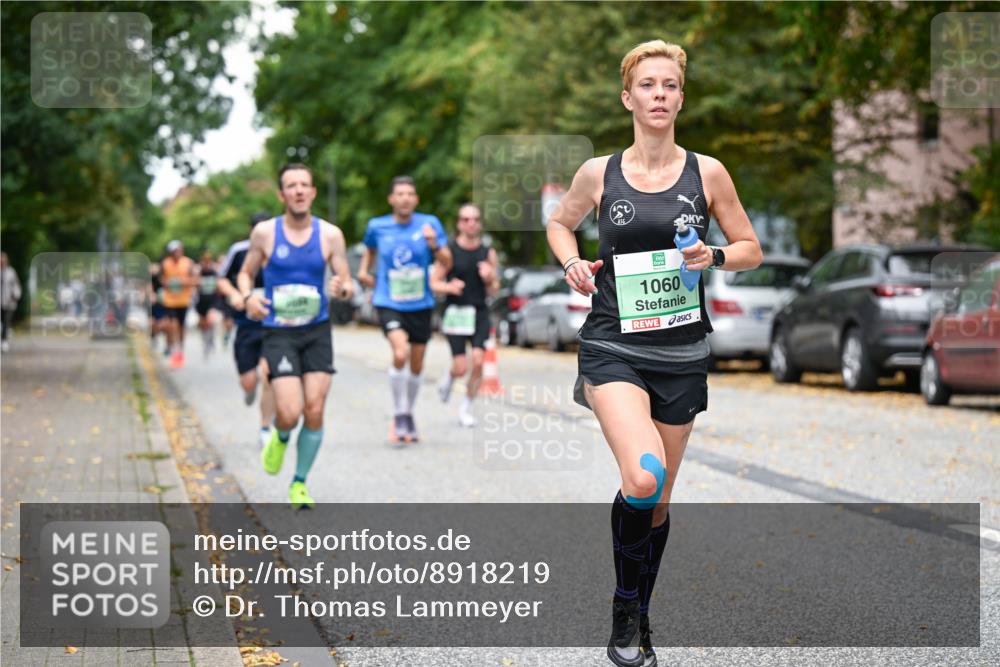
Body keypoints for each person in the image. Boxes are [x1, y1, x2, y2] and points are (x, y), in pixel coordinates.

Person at [546, 40, 762, 667]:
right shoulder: (599, 173)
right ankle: (622, 609)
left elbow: (749, 246)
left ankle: (641, 613)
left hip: (681, 352)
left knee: (658, 500)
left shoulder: (708, 172)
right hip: (613, 343)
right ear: (628, 97)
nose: (659, 94)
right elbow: (560, 223)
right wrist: (571, 264)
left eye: (669, 84)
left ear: (681, 98)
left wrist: (713, 255)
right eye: (648, 84)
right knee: (642, 476)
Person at [238, 164, 353, 509]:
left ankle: (299, 483)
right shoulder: (265, 233)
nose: (299, 190)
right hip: (279, 334)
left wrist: (342, 288)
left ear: (313, 192)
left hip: (316, 331)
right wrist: (249, 297)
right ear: (282, 195)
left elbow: (345, 280)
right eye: (292, 185)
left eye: (305, 184)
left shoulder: (330, 234)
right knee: (290, 411)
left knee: (315, 409)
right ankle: (281, 433)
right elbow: (246, 274)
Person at [357, 176, 451, 443]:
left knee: (417, 363)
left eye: (410, 193)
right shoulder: (377, 226)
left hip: (420, 303)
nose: (405, 198)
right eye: (400, 193)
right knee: (401, 352)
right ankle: (399, 414)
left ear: (416, 199)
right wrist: (364, 271)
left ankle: (408, 412)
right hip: (389, 301)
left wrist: (434, 245)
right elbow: (369, 250)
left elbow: (447, 261)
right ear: (391, 199)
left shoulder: (429, 224)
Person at [429, 203, 499, 427]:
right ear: (459, 223)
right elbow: (433, 283)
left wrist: (489, 278)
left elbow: (494, 289)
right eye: (466, 219)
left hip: (479, 311)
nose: (471, 223)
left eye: (475, 219)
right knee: (461, 367)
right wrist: (449, 288)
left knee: (478, 362)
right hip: (456, 313)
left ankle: (466, 409)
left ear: (479, 224)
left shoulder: (488, 253)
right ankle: (449, 377)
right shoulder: (449, 252)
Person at [217, 213, 275, 448]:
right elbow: (221, 278)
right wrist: (234, 295)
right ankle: (250, 390)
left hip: (273, 326)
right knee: (249, 382)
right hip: (246, 326)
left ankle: (265, 427)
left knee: (268, 374)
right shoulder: (239, 251)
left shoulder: (279, 249)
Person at [159, 240, 197, 369]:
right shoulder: (165, 264)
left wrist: (183, 282)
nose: (177, 253)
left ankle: (180, 349)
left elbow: (194, 280)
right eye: (175, 251)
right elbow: (161, 279)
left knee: (181, 326)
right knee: (172, 325)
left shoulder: (188, 263)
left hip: (184, 300)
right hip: (170, 300)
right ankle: (174, 348)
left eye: (179, 250)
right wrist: (167, 283)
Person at [195, 250, 222, 356]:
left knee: (210, 320)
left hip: (212, 300)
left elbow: (219, 284)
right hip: (201, 300)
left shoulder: (215, 272)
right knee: (203, 323)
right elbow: (194, 284)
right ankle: (205, 340)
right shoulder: (199, 272)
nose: (206, 263)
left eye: (208, 261)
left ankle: (211, 339)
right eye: (205, 261)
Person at [1, 252, 22, 353]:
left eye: (3, 259)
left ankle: (4, 341)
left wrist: (16, 296)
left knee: (6, 321)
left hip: (8, 301)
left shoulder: (11, 272)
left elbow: (16, 285)